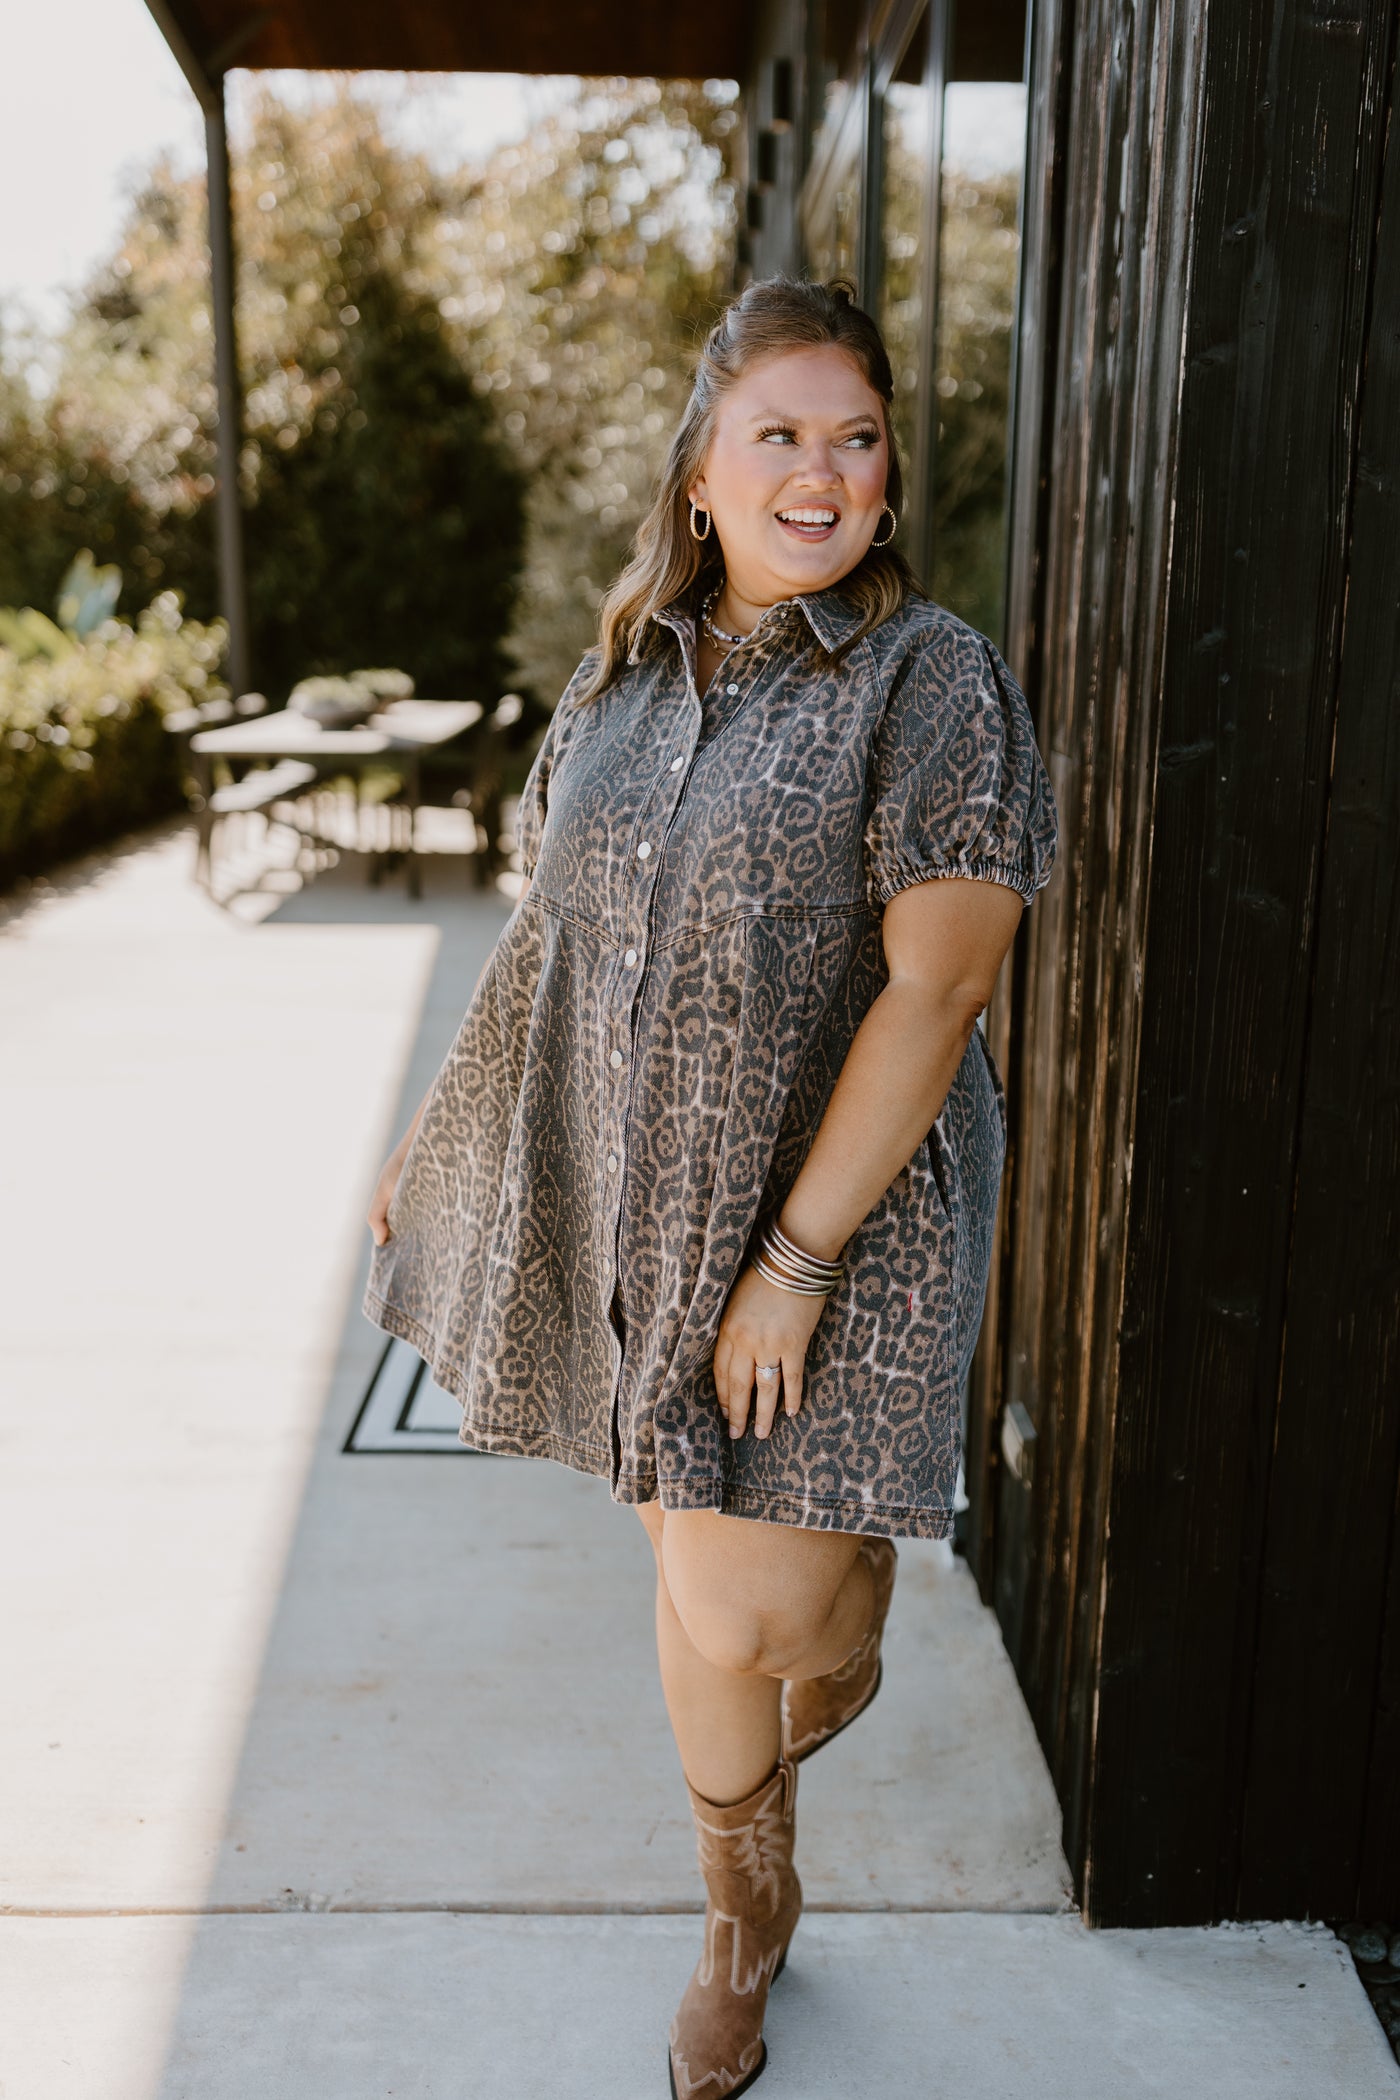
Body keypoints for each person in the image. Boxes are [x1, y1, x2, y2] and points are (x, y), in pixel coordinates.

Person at [364, 276, 1058, 2098]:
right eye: (782, 434)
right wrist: (438, 1140)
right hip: (626, 1202)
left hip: (843, 1221)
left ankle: (826, 1646)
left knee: (746, 1616)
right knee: (697, 1580)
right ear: (701, 472)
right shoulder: (621, 674)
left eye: (856, 436)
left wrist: (796, 1261)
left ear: (889, 476)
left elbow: (944, 983)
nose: (822, 472)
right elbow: (551, 945)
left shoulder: (933, 678)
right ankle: (743, 1922)